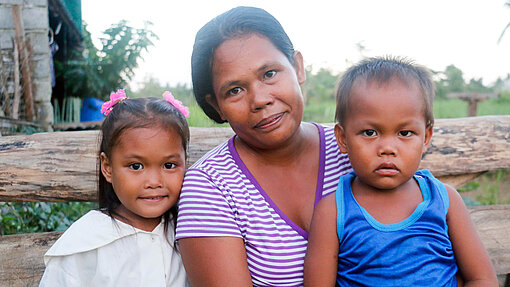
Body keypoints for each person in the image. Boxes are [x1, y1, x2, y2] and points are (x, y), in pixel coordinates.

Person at [175, 6, 352, 287]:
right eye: (234, 90)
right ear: (215, 106)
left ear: (298, 67)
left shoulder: (355, 149)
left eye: (269, 73)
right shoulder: (210, 187)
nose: (259, 99)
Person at [303, 57, 498, 286]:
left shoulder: (444, 201)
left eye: (404, 133)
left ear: (425, 138)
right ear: (343, 139)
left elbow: (482, 279)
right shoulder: (334, 210)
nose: (387, 148)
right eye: (369, 132)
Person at [40, 90, 190, 287]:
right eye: (136, 166)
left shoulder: (189, 231)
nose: (154, 182)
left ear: (185, 162)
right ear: (107, 167)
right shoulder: (85, 242)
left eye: (169, 165)